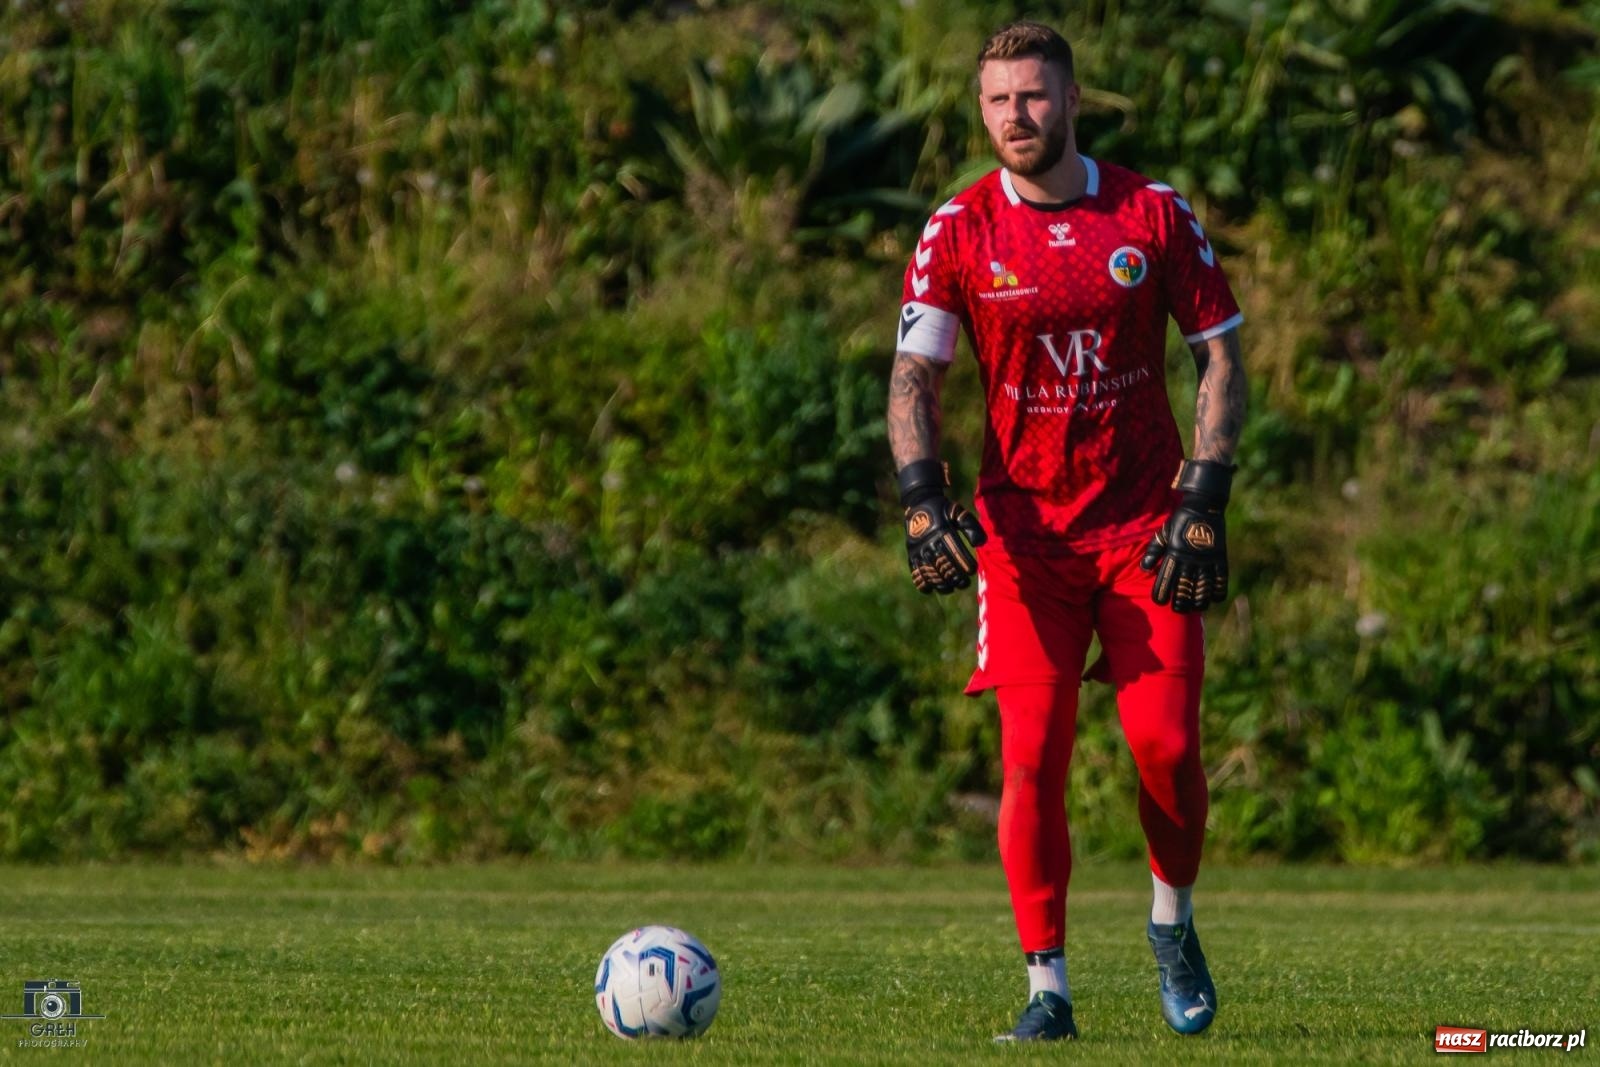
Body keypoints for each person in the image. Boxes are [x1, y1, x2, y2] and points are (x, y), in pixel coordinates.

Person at [885, 19, 1247, 1042]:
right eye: (998, 100)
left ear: (1072, 98)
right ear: (980, 107)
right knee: (1030, 759)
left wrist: (1202, 494)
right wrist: (921, 494)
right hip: (1023, 539)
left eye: (1034, 96)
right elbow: (915, 374)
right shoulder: (957, 228)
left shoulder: (1149, 212)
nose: (1016, 116)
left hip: (1143, 529)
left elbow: (1220, 352)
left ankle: (1170, 922)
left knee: (1167, 746)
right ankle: (1048, 990)